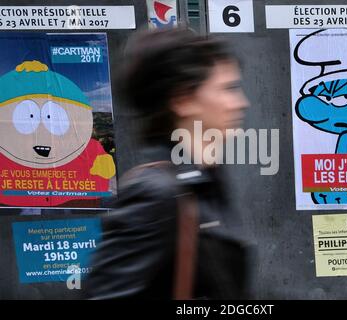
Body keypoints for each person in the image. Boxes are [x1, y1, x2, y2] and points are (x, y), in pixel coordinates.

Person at [83, 27, 252, 299]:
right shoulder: (155, 193)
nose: (241, 103)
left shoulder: (206, 180)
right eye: (227, 89)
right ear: (183, 99)